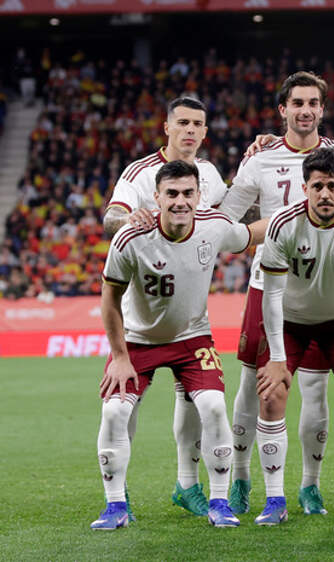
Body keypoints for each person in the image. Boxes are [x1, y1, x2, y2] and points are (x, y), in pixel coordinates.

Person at [218, 71, 334, 517]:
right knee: (254, 387)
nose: (305, 111)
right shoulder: (259, 160)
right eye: (297, 103)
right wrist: (261, 231)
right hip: (269, 284)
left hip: (329, 289)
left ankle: (311, 486)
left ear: (322, 109)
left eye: (313, 103)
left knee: (317, 392)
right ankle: (240, 478)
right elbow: (225, 221)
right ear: (283, 110)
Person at [91, 160, 266, 530]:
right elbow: (109, 299)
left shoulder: (214, 225)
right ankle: (115, 506)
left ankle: (219, 503)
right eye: (171, 194)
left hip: (192, 339)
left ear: (199, 196)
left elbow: (251, 234)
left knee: (214, 406)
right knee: (114, 413)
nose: (180, 201)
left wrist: (301, 215)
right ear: (157, 197)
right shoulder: (130, 237)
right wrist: (119, 357)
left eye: (188, 193)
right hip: (137, 341)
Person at [103, 96, 230, 517]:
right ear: (167, 127)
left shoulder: (209, 175)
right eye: (183, 123)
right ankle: (119, 494)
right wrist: (130, 221)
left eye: (197, 124)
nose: (190, 131)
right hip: (144, 314)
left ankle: (188, 484)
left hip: (190, 315)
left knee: (194, 399)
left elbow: (226, 221)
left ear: (205, 132)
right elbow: (111, 219)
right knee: (125, 405)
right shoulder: (139, 173)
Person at [252, 147, 334, 526]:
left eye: (333, 186)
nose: (325, 194)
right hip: (290, 322)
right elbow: (271, 295)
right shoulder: (282, 224)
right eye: (318, 186)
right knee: (270, 394)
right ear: (304, 187)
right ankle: (274, 500)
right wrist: (277, 359)